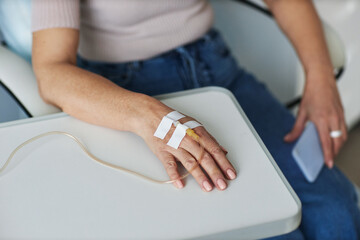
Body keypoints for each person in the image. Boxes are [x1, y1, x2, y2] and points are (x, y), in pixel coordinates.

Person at [31, 0, 360, 239]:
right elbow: (51, 72)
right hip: (130, 94)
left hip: (219, 75)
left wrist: (321, 78)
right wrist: (148, 116)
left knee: (337, 212)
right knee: (272, 231)